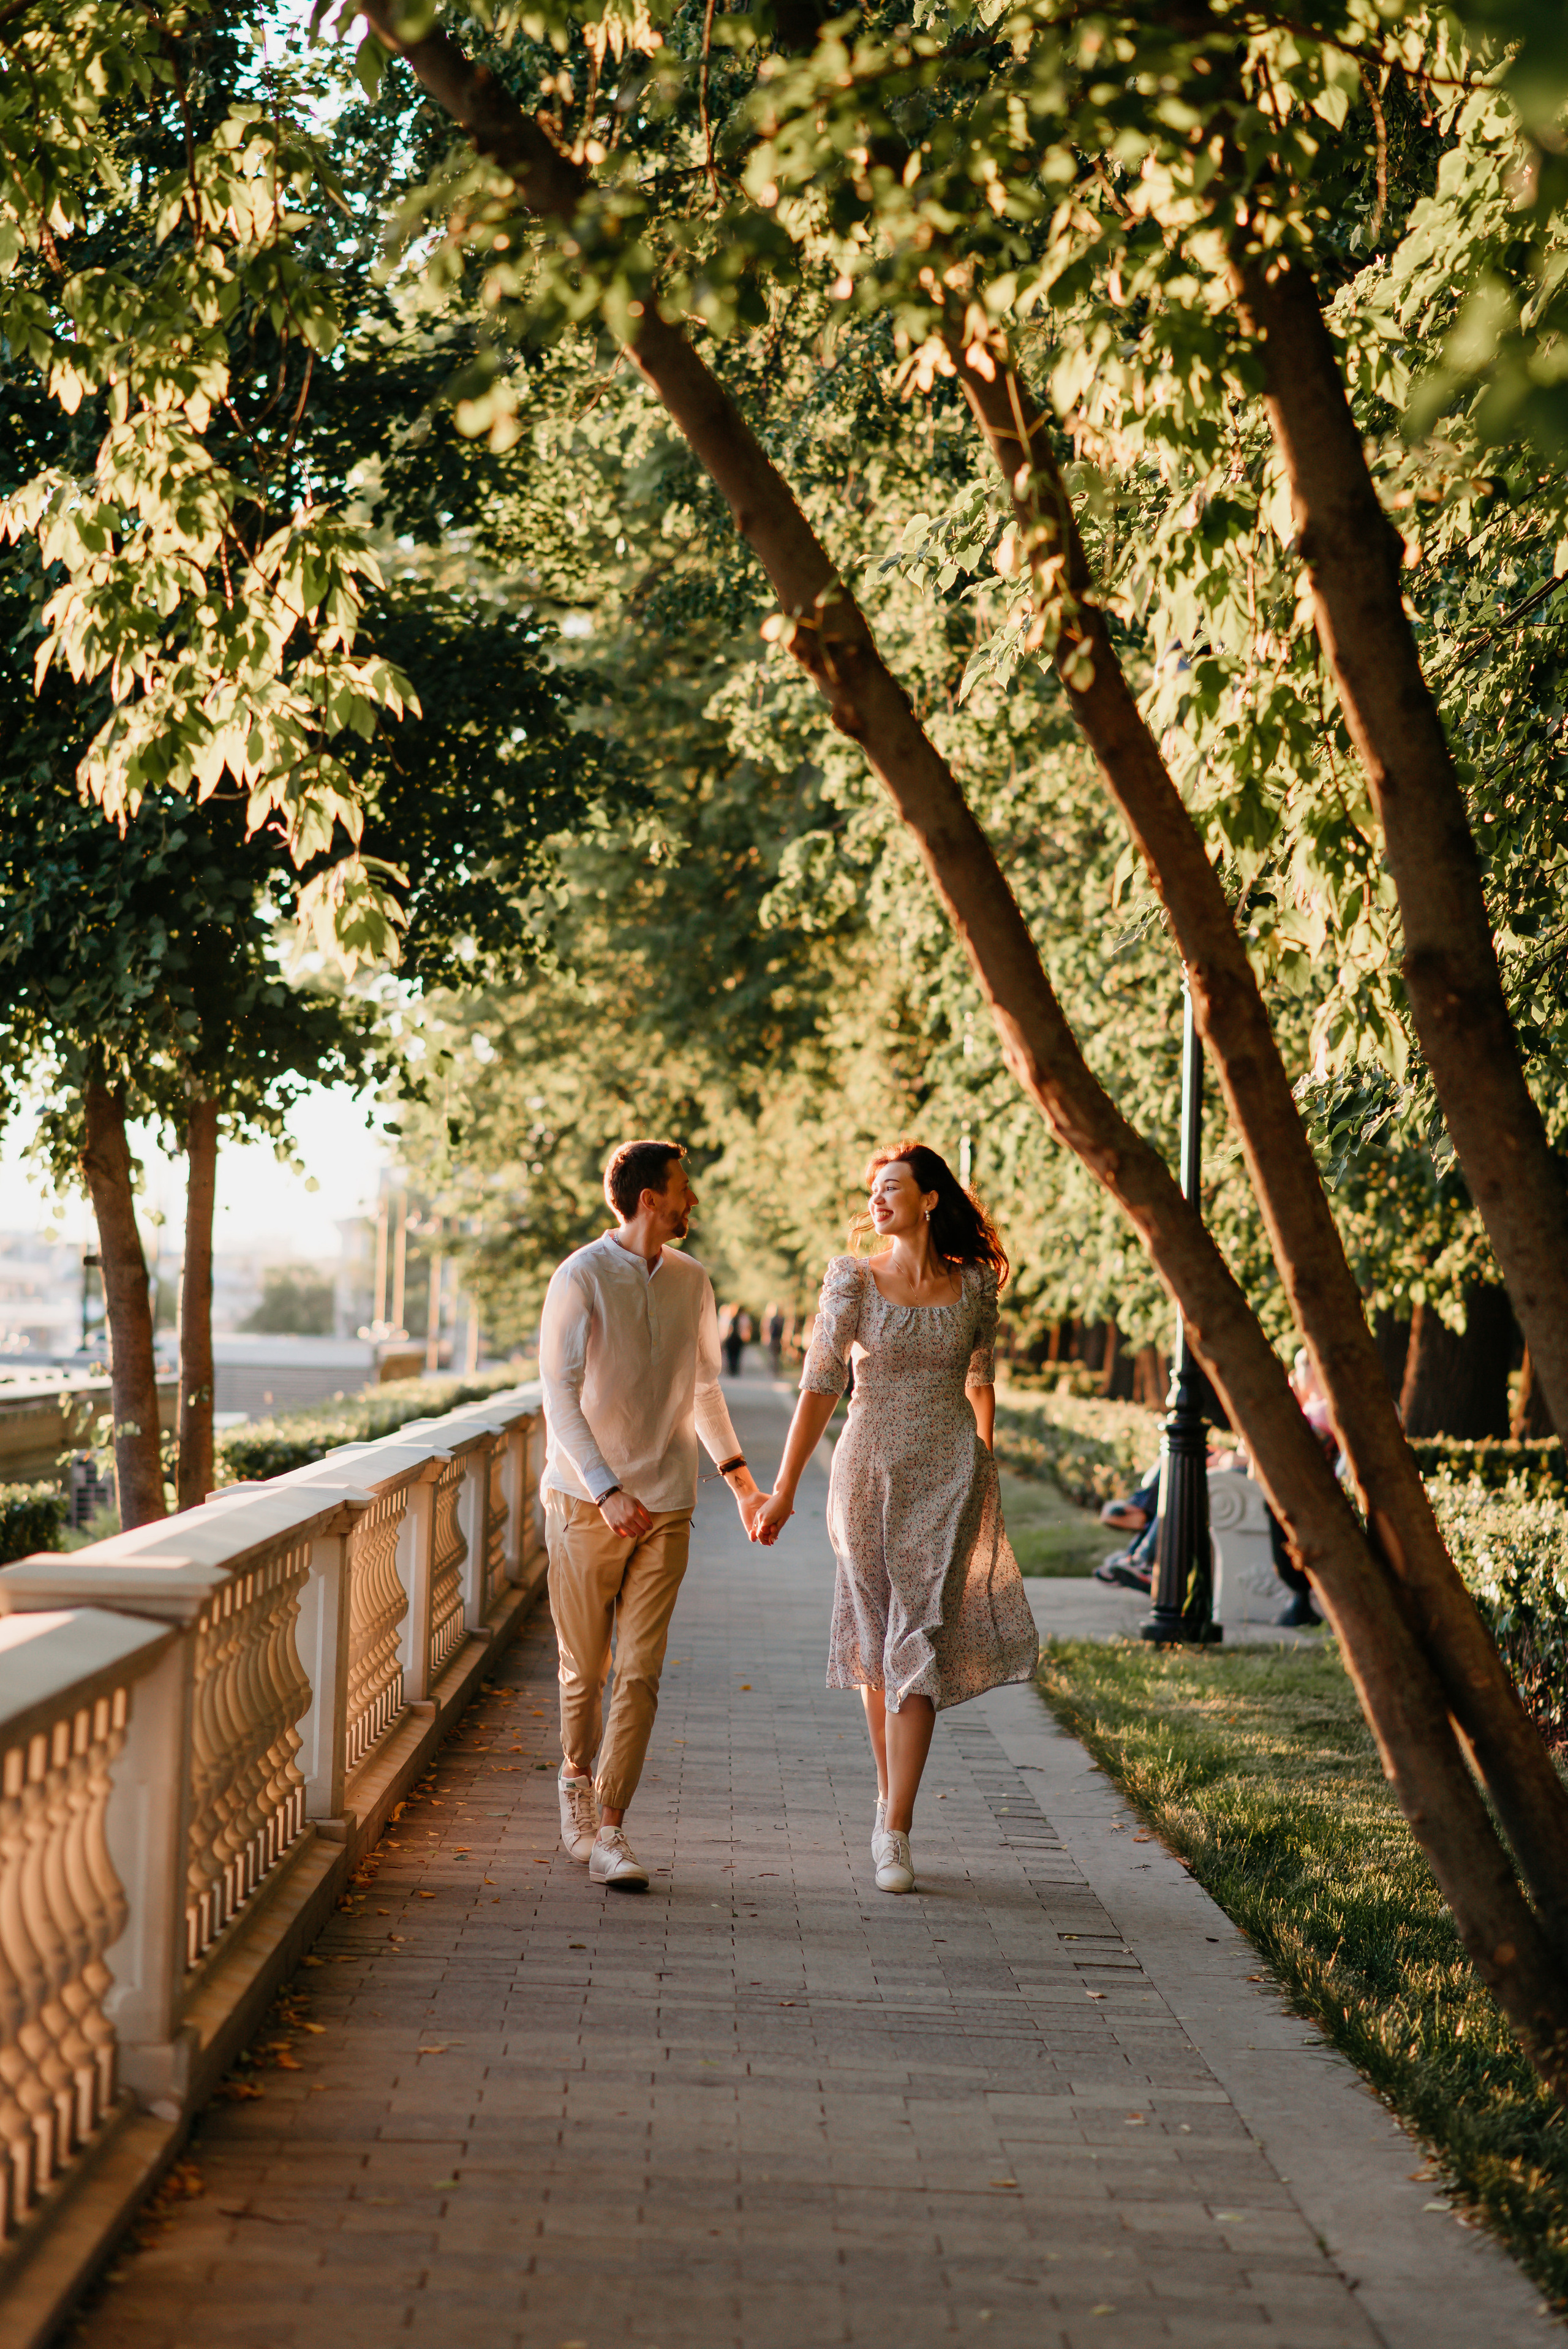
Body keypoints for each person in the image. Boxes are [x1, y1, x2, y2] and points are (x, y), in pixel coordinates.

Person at [755, 1140, 1039, 1895]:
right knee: (879, 1644)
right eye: (873, 1190)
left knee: (919, 1645)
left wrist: (985, 1457)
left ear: (929, 1199)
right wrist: (782, 1490)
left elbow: (981, 1381)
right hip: (865, 1476)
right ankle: (888, 1800)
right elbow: (819, 1385)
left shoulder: (975, 1285)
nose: (877, 1201)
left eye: (892, 1189)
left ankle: (896, 1828)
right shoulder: (851, 1278)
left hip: (947, 1474)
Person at [539, 1140, 768, 1888]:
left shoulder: (693, 1281)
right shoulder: (579, 1277)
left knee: (638, 1672)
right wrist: (605, 1489)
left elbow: (704, 1390)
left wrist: (739, 1484)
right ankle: (575, 1779)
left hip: (668, 1504)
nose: (691, 1202)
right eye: (682, 1190)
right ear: (648, 1200)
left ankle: (610, 1828)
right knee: (586, 1670)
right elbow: (559, 1397)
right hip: (584, 1504)